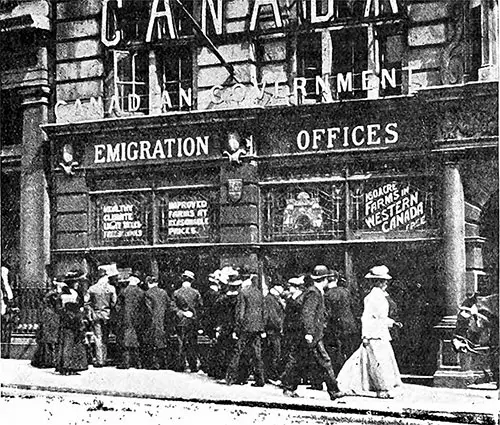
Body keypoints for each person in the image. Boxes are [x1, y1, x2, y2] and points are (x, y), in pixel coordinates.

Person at [337, 265, 403, 399]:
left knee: (378, 360)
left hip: (381, 332)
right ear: (377, 282)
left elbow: (381, 317)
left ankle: (382, 386)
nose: (385, 283)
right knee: (378, 361)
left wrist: (392, 323)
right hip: (374, 334)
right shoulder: (373, 297)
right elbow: (367, 317)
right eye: (383, 281)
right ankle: (382, 388)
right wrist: (365, 336)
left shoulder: (379, 296)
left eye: (385, 281)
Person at [281, 265, 343, 400]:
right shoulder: (314, 293)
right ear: (325, 279)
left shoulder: (314, 291)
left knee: (298, 359)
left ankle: (288, 387)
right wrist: (309, 332)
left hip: (313, 333)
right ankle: (334, 391)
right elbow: (307, 313)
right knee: (324, 361)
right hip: (313, 334)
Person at [226, 268, 267, 387]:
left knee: (238, 351)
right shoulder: (258, 292)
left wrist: (237, 329)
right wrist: (262, 327)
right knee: (257, 353)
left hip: (245, 327)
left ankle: (230, 378)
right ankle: (260, 380)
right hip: (257, 327)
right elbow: (264, 311)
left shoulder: (243, 292)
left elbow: (240, 313)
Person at [324, 270, 359, 375]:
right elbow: (354, 306)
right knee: (348, 352)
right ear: (337, 279)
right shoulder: (345, 291)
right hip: (350, 325)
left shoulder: (327, 295)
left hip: (336, 327)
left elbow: (328, 314)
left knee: (335, 353)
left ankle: (338, 375)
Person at [86, 263, 118, 367]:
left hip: (96, 314)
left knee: (98, 337)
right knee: (105, 337)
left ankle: (99, 360)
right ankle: (103, 358)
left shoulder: (92, 288)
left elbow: (86, 302)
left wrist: (90, 311)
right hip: (107, 314)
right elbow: (114, 302)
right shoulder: (111, 288)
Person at [55, 273, 88, 375]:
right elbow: (81, 307)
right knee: (75, 343)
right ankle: (72, 366)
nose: (78, 284)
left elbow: (58, 308)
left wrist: (65, 314)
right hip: (75, 320)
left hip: (65, 320)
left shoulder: (61, 294)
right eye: (76, 282)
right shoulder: (76, 294)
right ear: (73, 283)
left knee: (65, 343)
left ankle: (64, 366)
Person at [173, 270, 203, 372]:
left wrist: (182, 313)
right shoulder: (196, 293)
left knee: (180, 343)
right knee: (192, 343)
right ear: (192, 281)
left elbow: (173, 307)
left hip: (180, 320)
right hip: (192, 321)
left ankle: (180, 365)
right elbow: (200, 307)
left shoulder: (176, 292)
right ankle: (193, 365)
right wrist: (193, 315)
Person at [115, 275, 146, 369]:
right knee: (137, 339)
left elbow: (118, 306)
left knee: (126, 339)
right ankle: (138, 362)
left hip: (126, 318)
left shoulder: (123, 291)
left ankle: (126, 362)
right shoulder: (141, 292)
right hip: (138, 318)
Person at [144, 276, 175, 369]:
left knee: (152, 341)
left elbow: (148, 309)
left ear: (149, 283)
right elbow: (170, 305)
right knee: (161, 341)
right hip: (163, 320)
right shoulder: (163, 292)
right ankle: (163, 363)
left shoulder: (148, 293)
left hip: (152, 321)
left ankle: (154, 363)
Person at [32, 282, 61, 368]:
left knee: (49, 341)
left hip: (51, 316)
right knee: (48, 341)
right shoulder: (53, 295)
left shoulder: (52, 295)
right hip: (51, 316)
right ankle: (48, 360)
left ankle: (48, 360)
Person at [263, 283, 285, 384]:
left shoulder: (272, 299)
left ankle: (271, 374)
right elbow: (273, 316)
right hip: (272, 330)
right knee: (274, 352)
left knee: (274, 352)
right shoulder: (270, 300)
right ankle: (271, 375)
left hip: (273, 330)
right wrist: (280, 326)